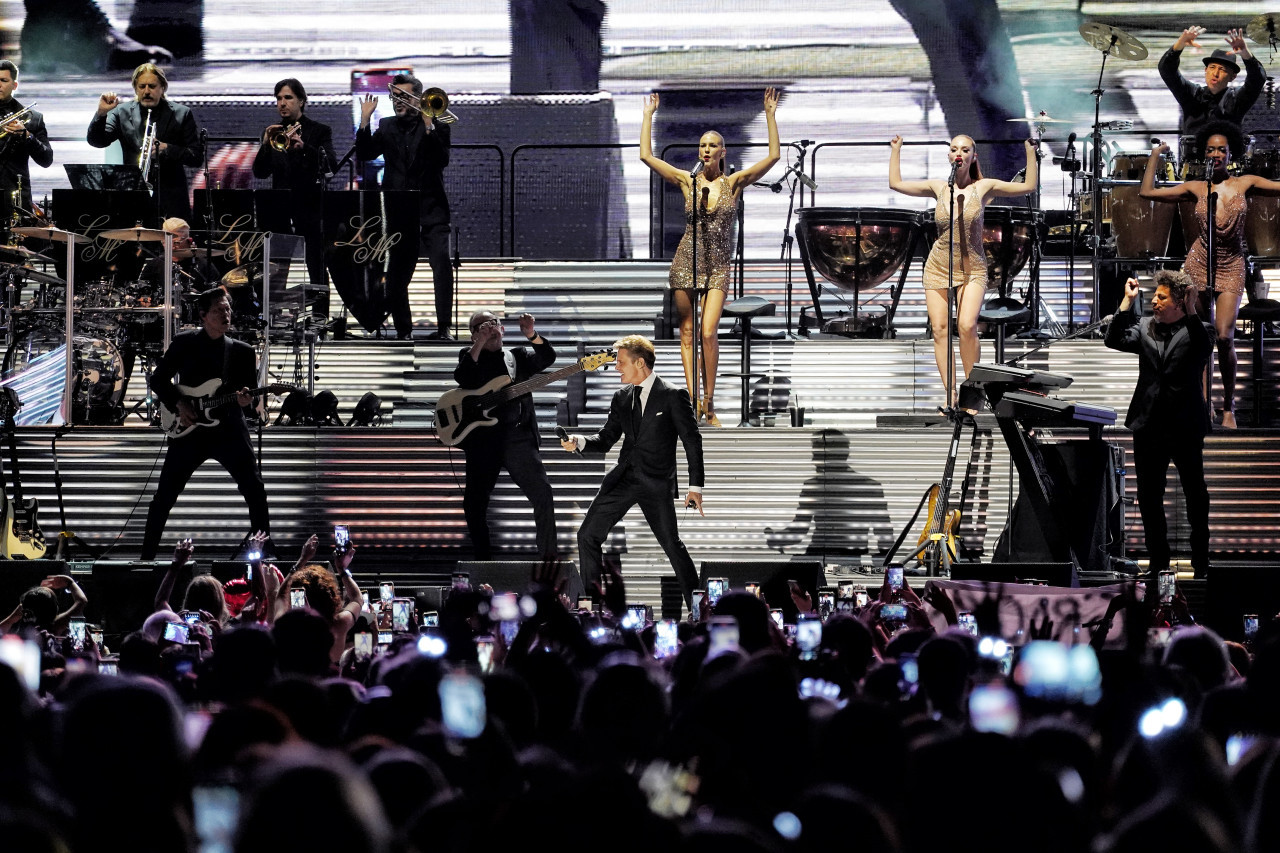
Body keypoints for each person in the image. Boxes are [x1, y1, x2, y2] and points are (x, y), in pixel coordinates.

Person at [639, 88, 780, 427]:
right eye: (702, 145)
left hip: (717, 265)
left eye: (712, 145)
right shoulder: (687, 182)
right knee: (687, 332)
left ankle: (709, 403)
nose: (705, 150)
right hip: (686, 261)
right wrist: (648, 117)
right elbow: (646, 156)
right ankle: (691, 406)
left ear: (722, 151)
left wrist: (770, 115)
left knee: (707, 331)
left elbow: (774, 156)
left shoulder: (734, 183)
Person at [1139, 122, 1280, 430]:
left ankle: (1228, 407)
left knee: (1225, 337)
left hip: (1231, 265)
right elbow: (1146, 191)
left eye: (1222, 149)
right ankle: (1204, 405)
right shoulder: (1195, 187)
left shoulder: (1245, 182)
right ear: (1203, 154)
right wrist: (1155, 156)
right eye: (1210, 150)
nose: (1216, 154)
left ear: (1231, 154)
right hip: (1199, 263)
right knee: (1200, 340)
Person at [888, 133, 1038, 404]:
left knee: (967, 326)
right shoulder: (939, 187)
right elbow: (895, 183)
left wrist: (1030, 153)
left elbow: (1028, 186)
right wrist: (896, 149)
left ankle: (973, 392)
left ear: (972, 157)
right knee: (941, 329)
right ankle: (950, 394)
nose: (959, 153)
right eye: (954, 149)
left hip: (973, 268)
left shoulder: (983, 187)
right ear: (949, 156)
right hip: (938, 266)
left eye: (965, 150)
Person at [561, 334, 703, 607]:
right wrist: (578, 441)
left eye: (621, 363)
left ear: (639, 363)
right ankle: (593, 607)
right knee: (587, 536)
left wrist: (695, 486)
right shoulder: (621, 397)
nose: (616, 368)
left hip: (656, 482)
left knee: (672, 545)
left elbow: (691, 440)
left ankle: (699, 608)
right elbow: (605, 439)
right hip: (623, 479)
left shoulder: (673, 395)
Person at [140, 287, 270, 560]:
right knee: (164, 496)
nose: (226, 314)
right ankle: (146, 559)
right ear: (203, 315)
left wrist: (246, 402)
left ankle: (266, 555)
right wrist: (179, 403)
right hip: (189, 430)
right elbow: (158, 380)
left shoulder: (243, 352)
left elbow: (246, 394)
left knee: (255, 491)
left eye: (228, 309)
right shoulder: (185, 343)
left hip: (229, 429)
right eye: (218, 310)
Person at [1104, 271, 1212, 579]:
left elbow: (1203, 350)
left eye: (1162, 297)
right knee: (1150, 496)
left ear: (1179, 302)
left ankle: (1201, 562)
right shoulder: (1144, 328)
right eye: (1154, 296)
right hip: (1149, 423)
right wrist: (1127, 302)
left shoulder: (1199, 329)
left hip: (1185, 424)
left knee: (1195, 494)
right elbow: (1113, 339)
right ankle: (1159, 563)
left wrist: (1193, 308)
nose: (1154, 300)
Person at [454, 311, 559, 560]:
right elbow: (463, 377)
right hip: (483, 443)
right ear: (473, 334)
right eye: (481, 326)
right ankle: (484, 563)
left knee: (543, 495)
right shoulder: (470, 357)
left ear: (502, 329)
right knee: (473, 505)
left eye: (494, 324)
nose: (490, 328)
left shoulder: (518, 356)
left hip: (518, 439)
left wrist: (531, 334)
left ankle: (549, 560)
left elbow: (547, 358)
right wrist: (479, 343)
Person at [356, 73, 453, 340]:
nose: (397, 101)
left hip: (432, 210)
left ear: (419, 99)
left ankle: (444, 328)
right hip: (398, 212)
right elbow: (365, 154)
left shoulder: (438, 123)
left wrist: (429, 125)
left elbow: (441, 159)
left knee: (442, 265)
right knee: (397, 273)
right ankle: (403, 331)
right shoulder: (386, 126)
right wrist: (365, 121)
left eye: (404, 96)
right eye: (395, 96)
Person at [252, 78, 337, 319]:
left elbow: (330, 166)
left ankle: (320, 318)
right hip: (280, 207)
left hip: (310, 206)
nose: (282, 103)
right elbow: (260, 172)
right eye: (278, 98)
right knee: (277, 265)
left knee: (316, 264)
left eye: (288, 98)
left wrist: (305, 148)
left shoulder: (319, 131)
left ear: (301, 100)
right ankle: (274, 317)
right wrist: (266, 145)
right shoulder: (273, 131)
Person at [87, 62, 201, 223]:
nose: (146, 91)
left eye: (152, 86)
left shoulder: (181, 113)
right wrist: (101, 114)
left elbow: (196, 157)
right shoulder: (121, 112)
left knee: (173, 246)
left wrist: (167, 148)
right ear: (135, 88)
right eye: (142, 86)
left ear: (163, 88)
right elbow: (97, 141)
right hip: (133, 195)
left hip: (171, 197)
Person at [1159, 27, 1263, 139]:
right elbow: (1167, 71)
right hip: (1193, 154)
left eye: (1222, 69)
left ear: (1232, 77)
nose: (1215, 73)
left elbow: (1257, 79)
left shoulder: (1236, 99)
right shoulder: (1192, 94)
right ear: (1205, 70)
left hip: (1227, 154)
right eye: (1212, 67)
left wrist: (1246, 54)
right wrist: (1179, 46)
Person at [0, 61, 52, 230]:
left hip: (15, 200)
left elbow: (46, 159)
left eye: (3, 80)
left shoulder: (33, 118)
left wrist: (27, 136)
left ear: (15, 85)